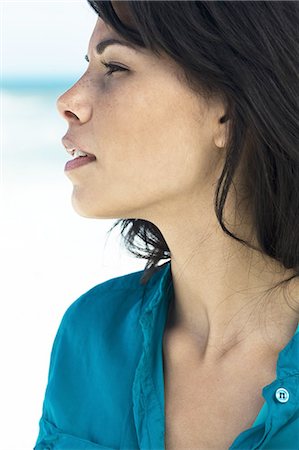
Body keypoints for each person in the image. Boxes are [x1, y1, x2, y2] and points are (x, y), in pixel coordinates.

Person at [34, 1, 299, 449]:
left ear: (228, 109)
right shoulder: (91, 334)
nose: (68, 102)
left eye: (114, 67)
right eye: (87, 67)